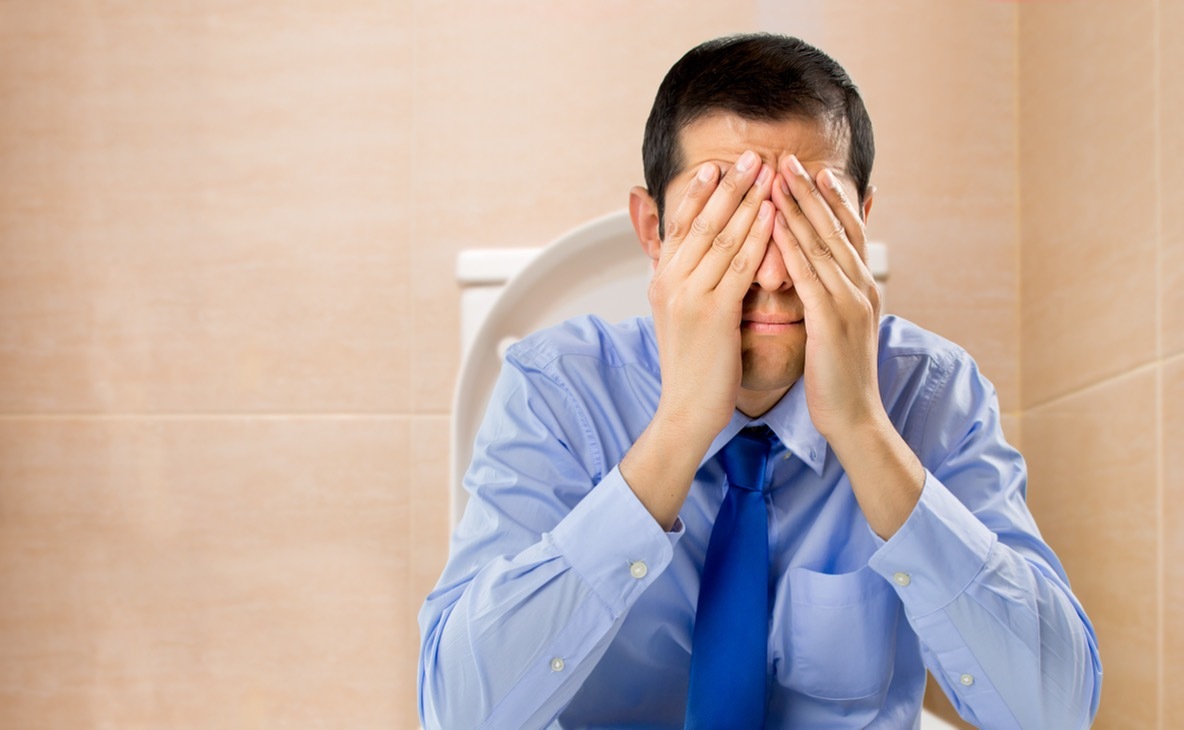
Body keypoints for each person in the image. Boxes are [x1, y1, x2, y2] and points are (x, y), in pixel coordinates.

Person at [418, 33, 1102, 729]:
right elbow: (460, 713)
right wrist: (679, 428)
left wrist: (865, 431)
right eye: (730, 219)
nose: (773, 276)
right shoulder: (556, 390)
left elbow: (1053, 714)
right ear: (654, 229)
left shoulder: (934, 393)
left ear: (860, 226)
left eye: (809, 220)